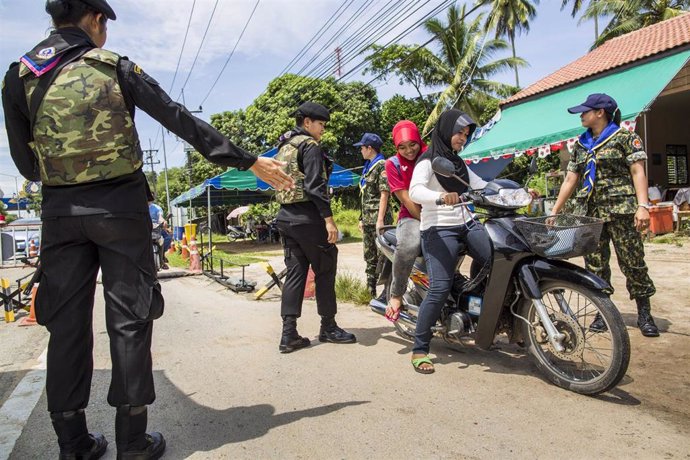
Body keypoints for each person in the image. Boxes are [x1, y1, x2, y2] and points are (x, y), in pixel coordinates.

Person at [1, 1, 293, 458]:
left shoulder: (19, 75)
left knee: (67, 328)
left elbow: (25, 164)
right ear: (95, 20)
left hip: (60, 213)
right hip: (121, 210)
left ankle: (73, 445)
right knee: (130, 323)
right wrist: (247, 159)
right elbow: (177, 117)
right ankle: (133, 445)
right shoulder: (113, 66)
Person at [551, 93, 658, 337]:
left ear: (600, 112)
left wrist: (643, 206)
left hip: (621, 211)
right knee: (595, 266)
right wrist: (555, 210)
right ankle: (603, 312)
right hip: (590, 215)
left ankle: (644, 314)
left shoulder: (625, 138)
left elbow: (637, 171)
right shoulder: (580, 144)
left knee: (633, 262)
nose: (581, 114)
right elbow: (571, 178)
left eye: (585, 111)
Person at [408, 109, 491, 374]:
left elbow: (482, 186)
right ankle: (420, 348)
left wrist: (514, 191)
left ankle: (480, 313)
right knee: (439, 288)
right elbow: (415, 190)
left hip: (466, 224)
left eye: (466, 135)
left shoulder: (458, 164)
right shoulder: (428, 161)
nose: (462, 139)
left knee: (498, 260)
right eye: (459, 133)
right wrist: (440, 197)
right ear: (445, 131)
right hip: (438, 228)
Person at [274, 102, 357, 353]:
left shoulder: (284, 147)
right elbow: (314, 187)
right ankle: (328, 327)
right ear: (307, 122)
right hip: (308, 218)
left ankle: (289, 335)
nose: (323, 130)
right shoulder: (309, 146)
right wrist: (329, 219)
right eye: (321, 124)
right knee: (325, 268)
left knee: (296, 273)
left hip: (285, 218)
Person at [383, 120, 427, 321]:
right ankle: (396, 294)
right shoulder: (392, 164)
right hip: (412, 216)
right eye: (402, 147)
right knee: (409, 245)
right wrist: (425, 219)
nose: (409, 151)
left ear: (420, 140)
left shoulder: (430, 155)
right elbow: (405, 198)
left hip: (442, 213)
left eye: (412, 145)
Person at [354, 132, 392, 299]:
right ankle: (370, 289)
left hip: (379, 220)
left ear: (370, 148)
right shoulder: (368, 167)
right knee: (369, 255)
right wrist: (361, 218)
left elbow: (384, 193)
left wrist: (380, 220)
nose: (360, 150)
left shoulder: (382, 165)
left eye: (362, 147)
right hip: (368, 219)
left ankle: (387, 291)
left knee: (384, 256)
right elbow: (365, 195)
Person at [148, 198, 170, 269]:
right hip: (144, 228)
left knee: (167, 238)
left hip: (156, 228)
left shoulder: (157, 208)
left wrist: (164, 222)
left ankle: (162, 256)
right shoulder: (139, 207)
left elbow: (160, 216)